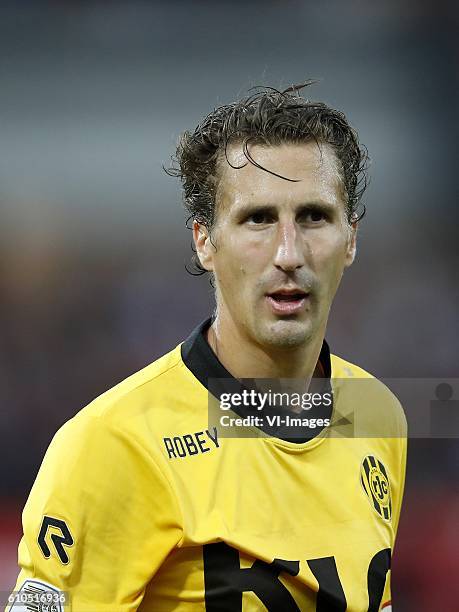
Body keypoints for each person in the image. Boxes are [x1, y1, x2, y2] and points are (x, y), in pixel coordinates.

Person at [8, 84, 407, 611]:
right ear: (204, 240)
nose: (289, 253)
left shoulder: (376, 413)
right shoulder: (116, 445)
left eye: (313, 216)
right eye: (257, 219)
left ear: (351, 238)